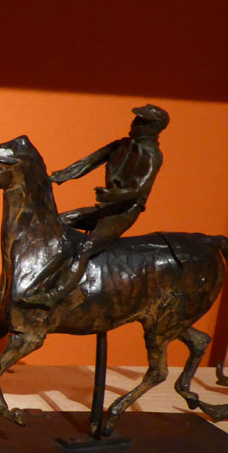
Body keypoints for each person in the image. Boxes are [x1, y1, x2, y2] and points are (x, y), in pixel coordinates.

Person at [23, 104, 169, 308]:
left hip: (124, 212)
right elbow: (88, 162)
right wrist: (58, 177)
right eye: (137, 120)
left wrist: (113, 195)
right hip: (106, 207)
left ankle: (54, 296)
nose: (135, 124)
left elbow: (139, 188)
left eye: (142, 122)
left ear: (154, 128)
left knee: (86, 248)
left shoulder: (152, 155)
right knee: (56, 223)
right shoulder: (121, 145)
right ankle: (31, 275)